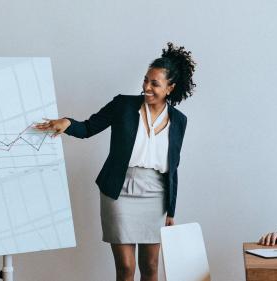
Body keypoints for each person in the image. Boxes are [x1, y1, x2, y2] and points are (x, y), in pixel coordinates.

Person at [35, 42, 195, 281]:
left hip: (155, 194)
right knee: (126, 267)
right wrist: (68, 123)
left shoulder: (179, 121)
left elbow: (173, 168)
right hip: (119, 190)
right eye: (145, 80)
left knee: (151, 267)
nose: (146, 87)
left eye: (155, 83)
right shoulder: (123, 106)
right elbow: (89, 127)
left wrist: (171, 209)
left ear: (170, 88)